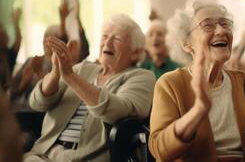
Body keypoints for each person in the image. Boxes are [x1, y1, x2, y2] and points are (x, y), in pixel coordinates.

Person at [149, 0, 245, 161]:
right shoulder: (169, 85)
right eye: (208, 25)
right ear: (186, 44)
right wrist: (198, 111)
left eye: (225, 24)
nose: (221, 30)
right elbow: (160, 151)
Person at [23, 14, 155, 162]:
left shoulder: (142, 77)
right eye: (104, 36)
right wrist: (55, 72)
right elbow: (37, 103)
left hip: (85, 158)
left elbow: (119, 111)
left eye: (116, 39)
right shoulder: (82, 69)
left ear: (135, 52)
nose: (107, 43)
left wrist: (70, 76)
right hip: (43, 155)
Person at [0, 8, 22, 90]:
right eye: (3, 36)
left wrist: (16, 23)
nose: (7, 37)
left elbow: (18, 41)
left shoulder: (8, 54)